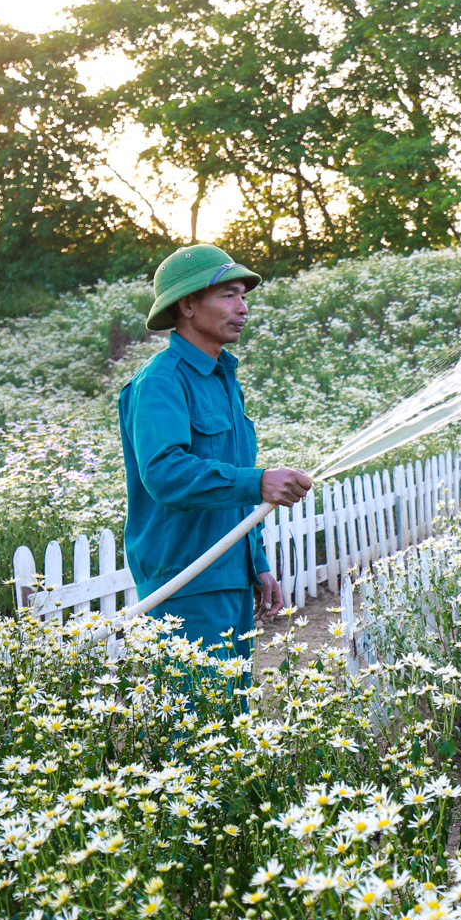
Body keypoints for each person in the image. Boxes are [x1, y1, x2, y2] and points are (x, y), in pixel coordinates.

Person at [119, 244, 314, 681]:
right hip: (183, 582)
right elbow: (165, 474)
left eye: (244, 296)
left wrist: (256, 561)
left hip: (227, 574)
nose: (242, 308)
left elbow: (236, 483)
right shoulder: (160, 382)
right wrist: (259, 481)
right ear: (187, 305)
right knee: (200, 726)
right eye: (228, 295)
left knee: (233, 716)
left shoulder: (224, 379)